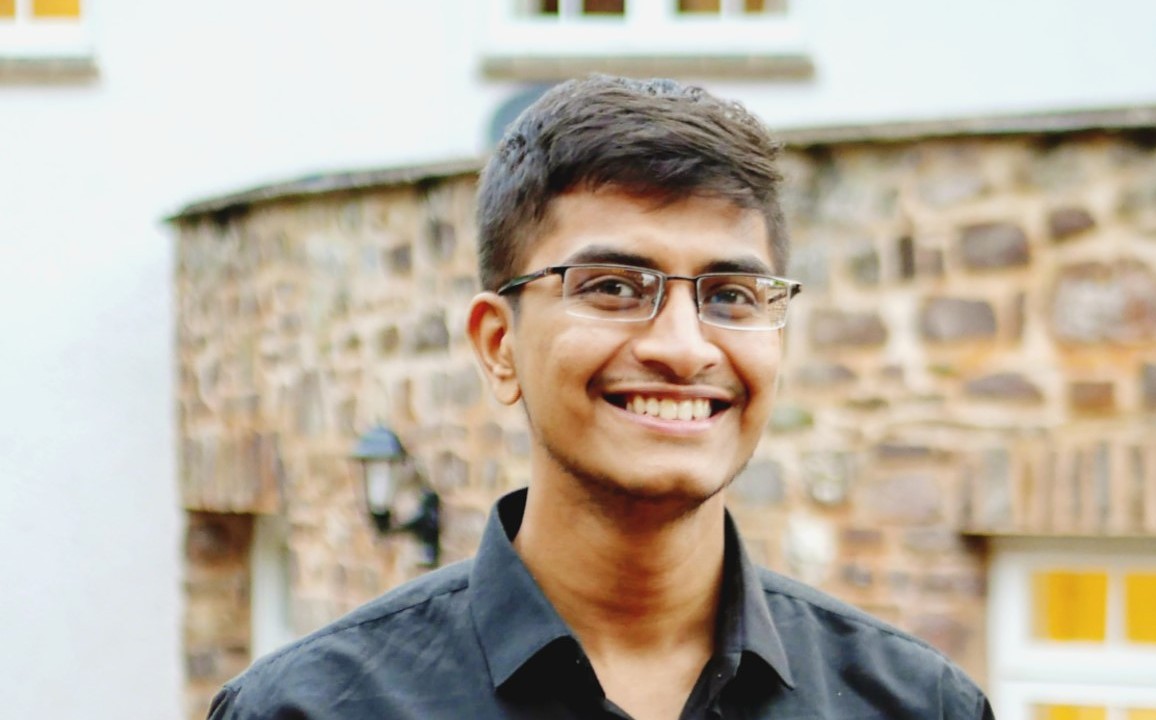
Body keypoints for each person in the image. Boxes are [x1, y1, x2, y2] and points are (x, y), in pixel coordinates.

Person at [208, 75, 995, 720]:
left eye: (730, 294)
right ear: (497, 345)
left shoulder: (917, 707)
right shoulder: (312, 710)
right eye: (614, 287)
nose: (684, 348)